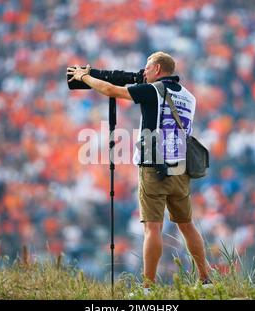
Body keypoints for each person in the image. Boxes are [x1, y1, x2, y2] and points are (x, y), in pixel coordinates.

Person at [67, 52, 212, 291]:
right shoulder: (190, 97)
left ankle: (148, 287)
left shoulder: (153, 90)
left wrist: (86, 77)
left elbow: (112, 91)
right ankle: (205, 279)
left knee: (152, 228)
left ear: (156, 68)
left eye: (146, 68)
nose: (143, 73)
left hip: (154, 168)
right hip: (180, 168)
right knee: (187, 225)